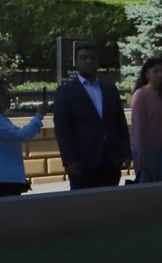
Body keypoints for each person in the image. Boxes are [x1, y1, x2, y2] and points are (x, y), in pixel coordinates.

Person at [53, 42, 131, 189]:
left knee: (109, 203)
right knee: (84, 206)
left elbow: (120, 122)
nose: (88, 61)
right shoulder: (66, 92)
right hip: (82, 163)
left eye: (92, 58)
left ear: (98, 62)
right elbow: (62, 129)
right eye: (84, 58)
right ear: (76, 63)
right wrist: (68, 160)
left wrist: (126, 153)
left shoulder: (110, 89)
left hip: (111, 161)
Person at [0, 79, 47, 198]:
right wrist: (39, 115)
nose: (9, 98)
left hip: (3, 180)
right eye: (5, 94)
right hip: (0, 182)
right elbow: (23, 135)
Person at [129, 57, 162, 183]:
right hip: (147, 150)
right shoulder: (140, 95)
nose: (160, 74)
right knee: (147, 190)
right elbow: (138, 126)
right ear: (147, 74)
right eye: (156, 71)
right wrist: (141, 152)